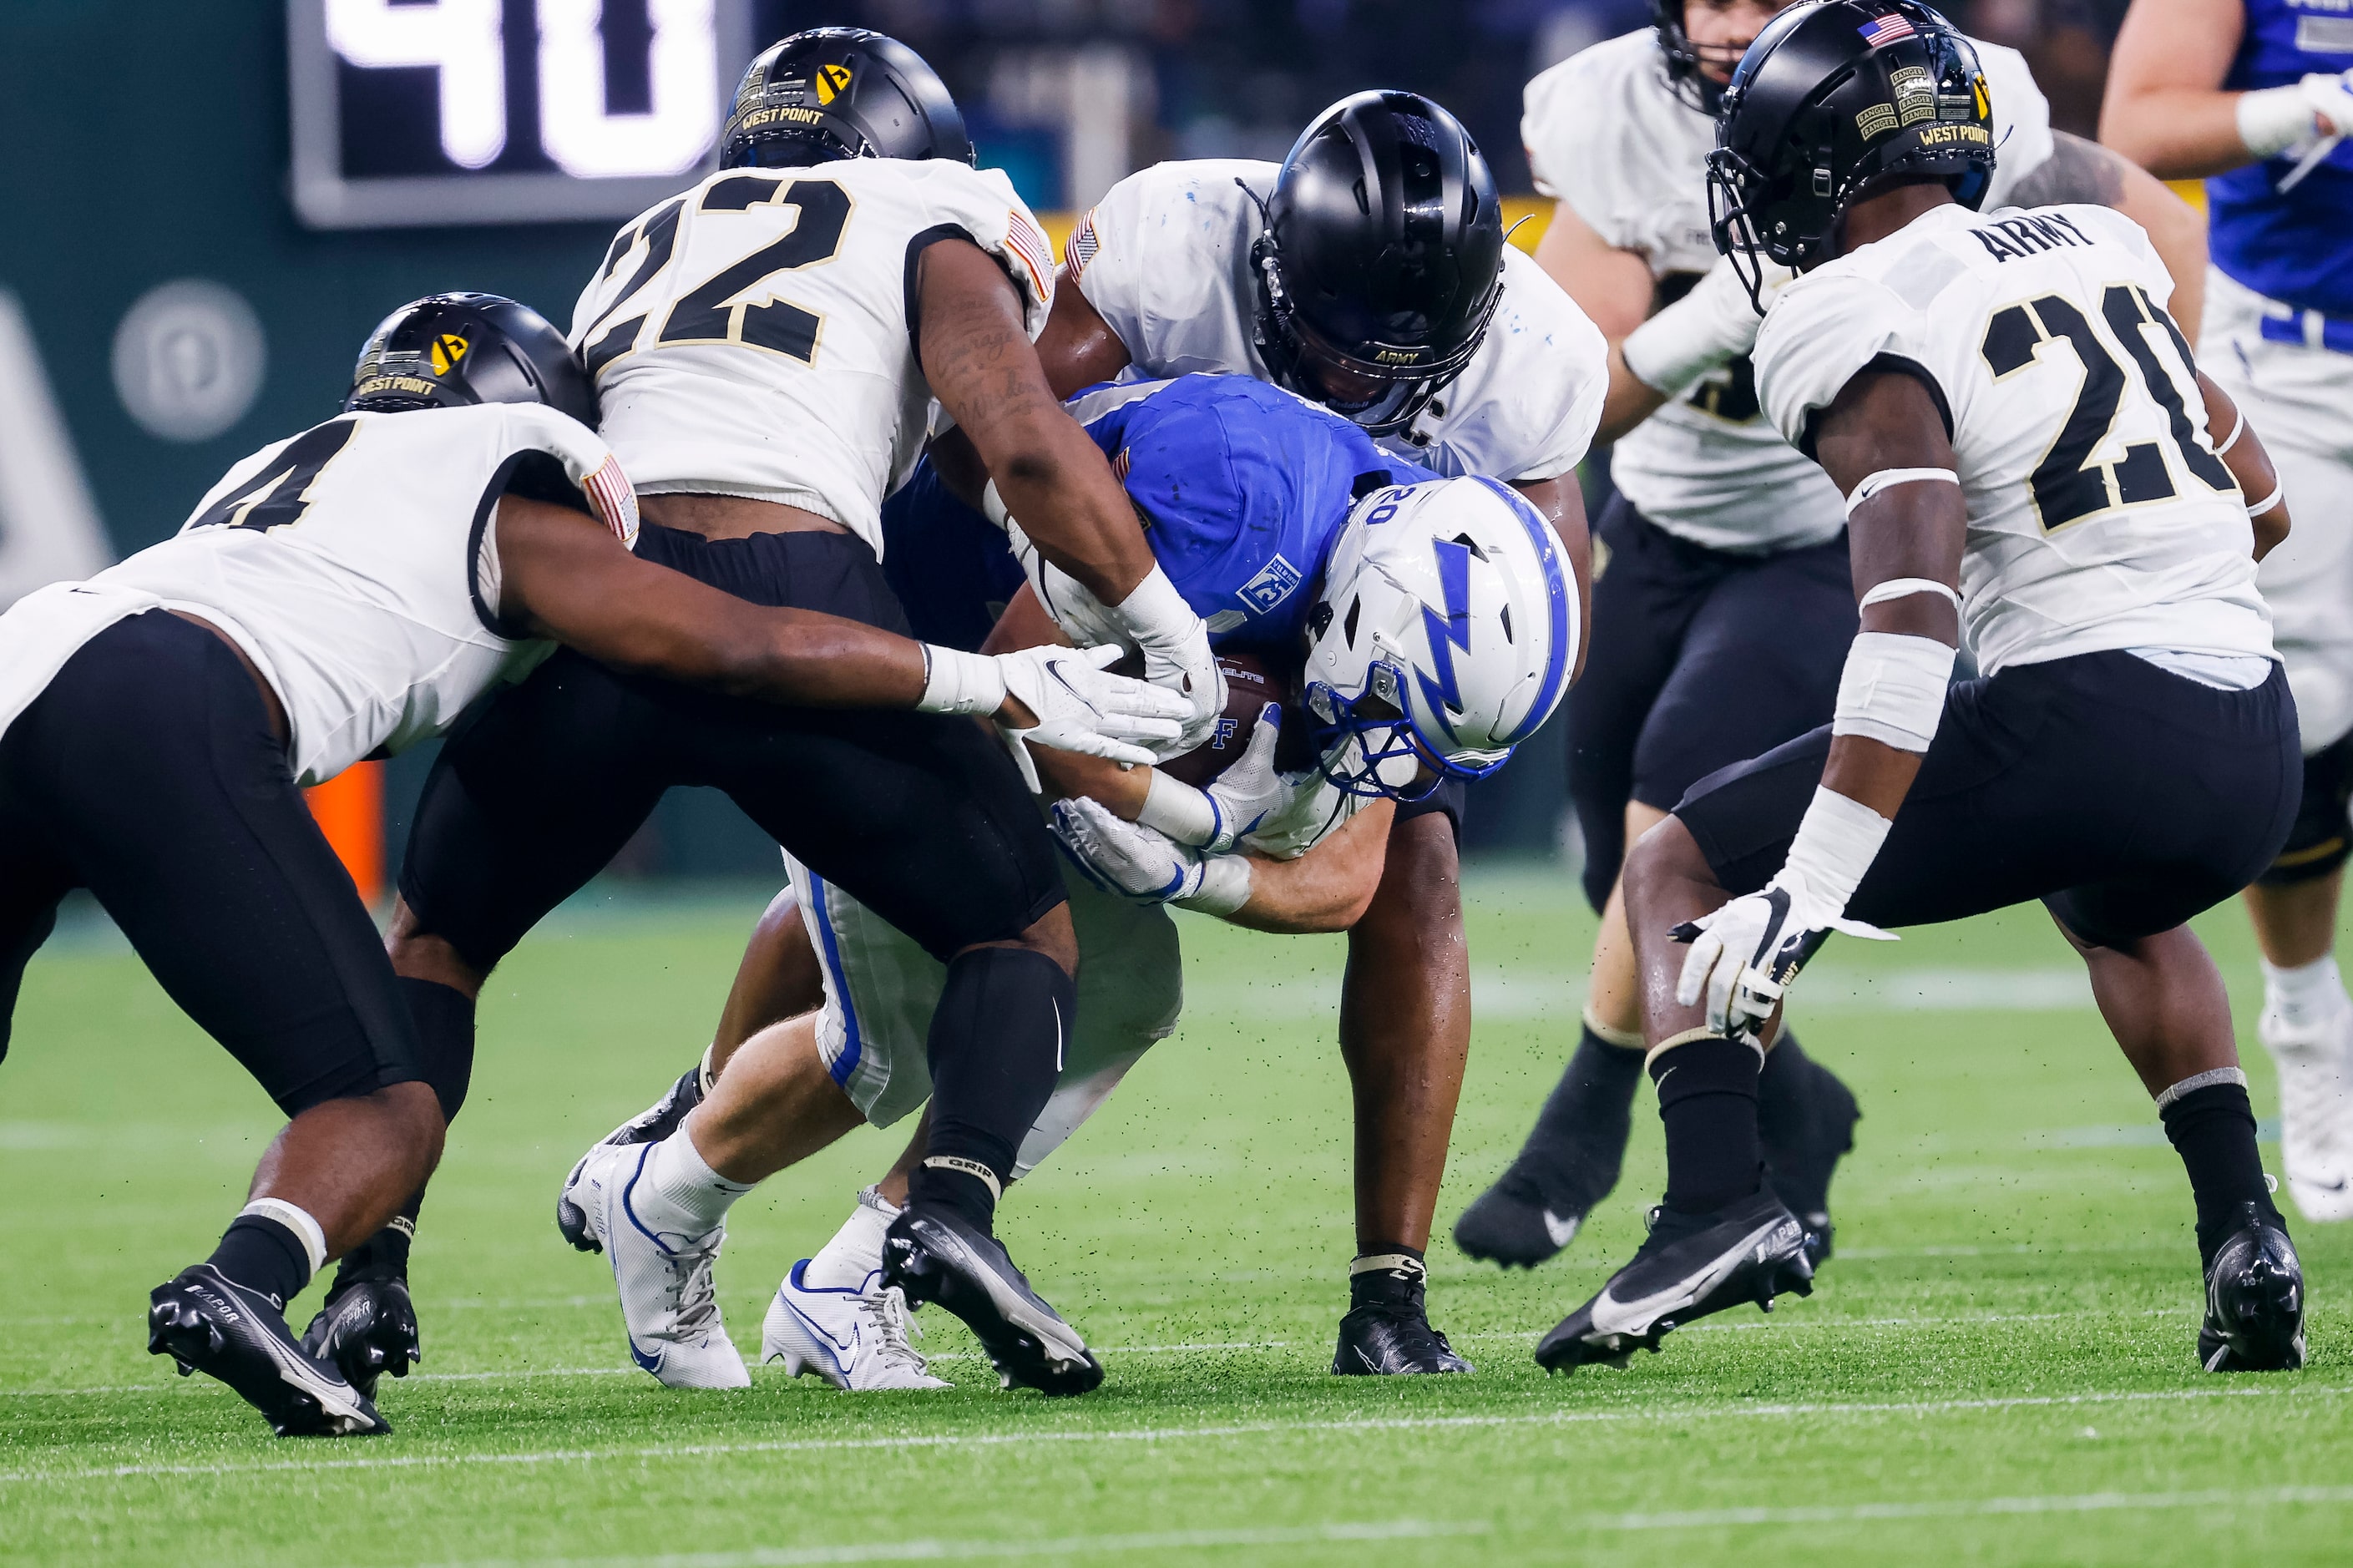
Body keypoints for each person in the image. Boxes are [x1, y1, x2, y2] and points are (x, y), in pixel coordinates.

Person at [0, 290, 1172, 1438]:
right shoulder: (518, 480)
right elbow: (733, 641)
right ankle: (246, 1279)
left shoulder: (286, 466)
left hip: (36, 647)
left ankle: (366, 1267)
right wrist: (983, 680)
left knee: (428, 953)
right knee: (378, 1098)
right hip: (163, 701)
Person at [665, 88, 1609, 1372]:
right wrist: (1113, 659)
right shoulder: (1174, 234)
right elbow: (978, 457)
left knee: (1412, 867)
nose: (1348, 380)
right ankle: (701, 1115)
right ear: (1270, 265)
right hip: (1099, 549)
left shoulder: (1536, 361)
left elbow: (1540, 594)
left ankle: (1387, 1286)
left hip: (1350, 599)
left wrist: (1189, 825)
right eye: (1325, 346)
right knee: (913, 853)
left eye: (1388, 365)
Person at [330, 29, 1210, 1401]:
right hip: (794, 593)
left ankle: (365, 1268)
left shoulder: (644, 234)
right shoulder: (936, 211)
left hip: (603, 610)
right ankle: (952, 1212)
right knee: (1014, 928)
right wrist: (1158, 616)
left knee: (436, 940)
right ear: (908, 144)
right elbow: (1017, 436)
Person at [1536, 0, 2306, 1378]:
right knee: (2116, 904)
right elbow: (2260, 502)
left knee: (1672, 867)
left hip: (2093, 713)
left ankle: (1715, 1203)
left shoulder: (1842, 306)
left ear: (1805, 164)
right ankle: (2243, 1229)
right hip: (2249, 730)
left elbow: (1904, 615)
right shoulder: (2095, 238)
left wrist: (1808, 884)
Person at [556, 375, 1580, 1389]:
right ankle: (667, 1196)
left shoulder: (1392, 581)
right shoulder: (1234, 506)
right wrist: (1175, 809)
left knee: (1126, 996)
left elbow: (1347, 881)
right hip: (900, 653)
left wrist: (1191, 864)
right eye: (1391, 710)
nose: (1388, 752)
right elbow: (1012, 699)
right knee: (894, 1039)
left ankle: (846, 1278)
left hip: (1021, 706)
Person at [2101, 0, 2353, 1223]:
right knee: (2302, 723)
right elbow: (2133, 122)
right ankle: (2305, 1010)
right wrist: (2301, 110)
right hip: (2300, 373)